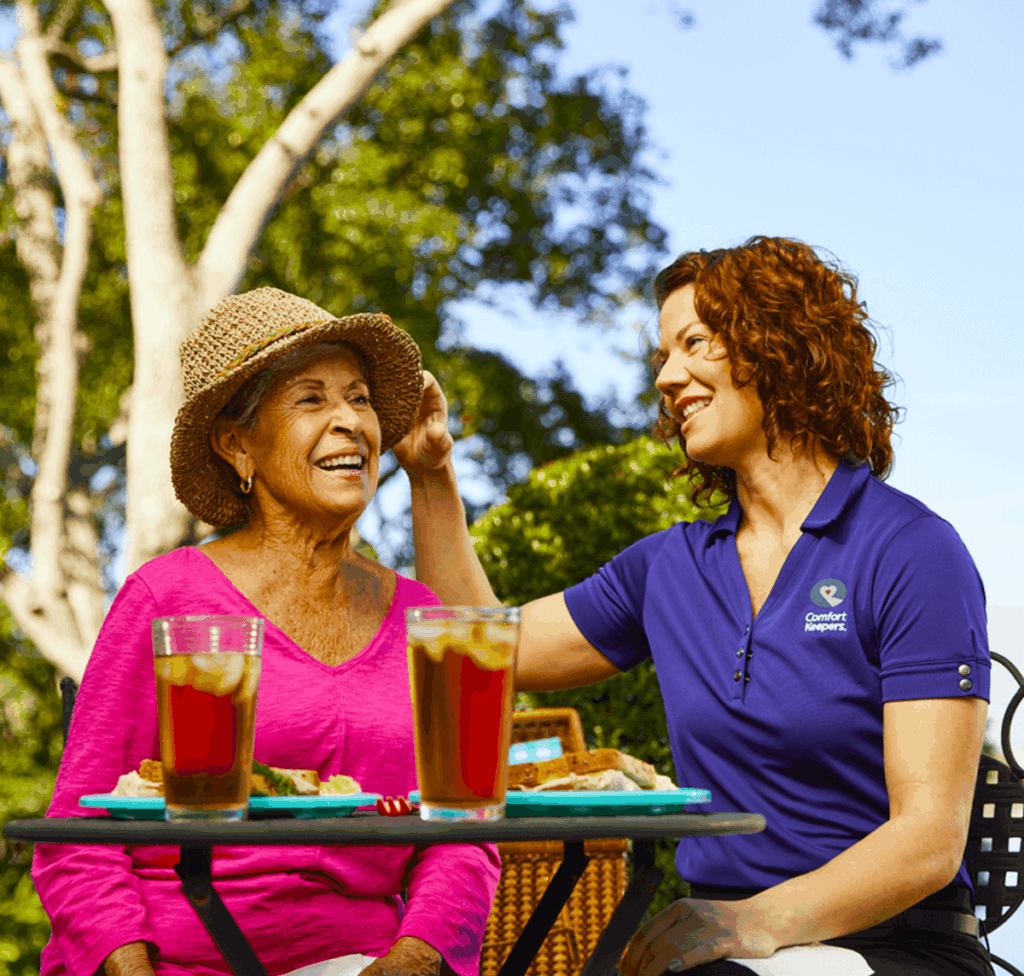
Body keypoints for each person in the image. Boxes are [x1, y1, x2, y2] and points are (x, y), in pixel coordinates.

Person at [394, 237, 993, 976]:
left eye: (695, 344)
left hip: (894, 947)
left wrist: (756, 922)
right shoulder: (668, 568)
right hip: (729, 947)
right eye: (661, 358)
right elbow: (485, 649)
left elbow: (930, 839)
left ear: (780, 344)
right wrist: (431, 475)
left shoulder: (911, 550)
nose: (670, 378)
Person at [33, 288, 499, 976]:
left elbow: (467, 836)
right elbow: (77, 841)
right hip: (174, 962)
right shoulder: (167, 598)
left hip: (360, 960)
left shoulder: (425, 616)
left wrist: (414, 958)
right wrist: (129, 967)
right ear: (236, 444)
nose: (349, 422)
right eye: (311, 400)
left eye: (361, 399)